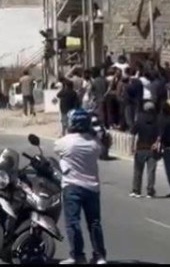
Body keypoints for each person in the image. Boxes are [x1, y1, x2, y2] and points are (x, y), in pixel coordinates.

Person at [56, 109, 107, 265]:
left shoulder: (64, 142)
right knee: (94, 223)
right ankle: (100, 256)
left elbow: (57, 150)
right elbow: (102, 148)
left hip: (71, 186)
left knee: (73, 222)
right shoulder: (94, 143)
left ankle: (77, 256)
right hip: (92, 188)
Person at [130, 102, 161, 198]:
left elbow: (133, 133)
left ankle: (136, 191)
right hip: (151, 149)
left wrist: (132, 146)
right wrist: (156, 144)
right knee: (151, 171)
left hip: (140, 147)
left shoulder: (139, 120)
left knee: (138, 171)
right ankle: (150, 191)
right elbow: (159, 135)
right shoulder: (157, 121)